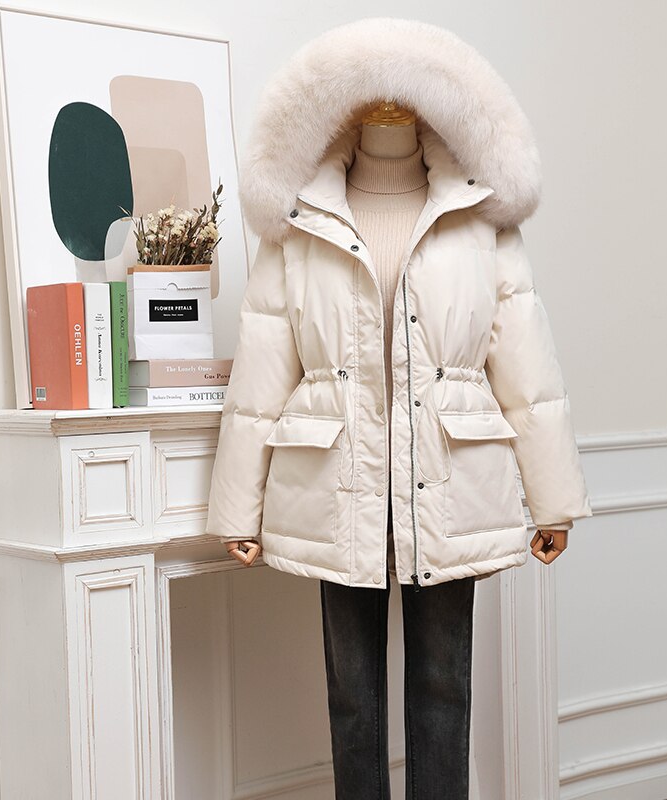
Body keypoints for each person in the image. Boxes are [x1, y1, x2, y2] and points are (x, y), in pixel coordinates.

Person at [206, 17, 592, 799]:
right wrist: (237, 508)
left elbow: (527, 368)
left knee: (444, 688)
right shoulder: (299, 222)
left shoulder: (481, 219)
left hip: (449, 481)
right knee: (351, 698)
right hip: (335, 484)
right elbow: (263, 371)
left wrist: (553, 500)